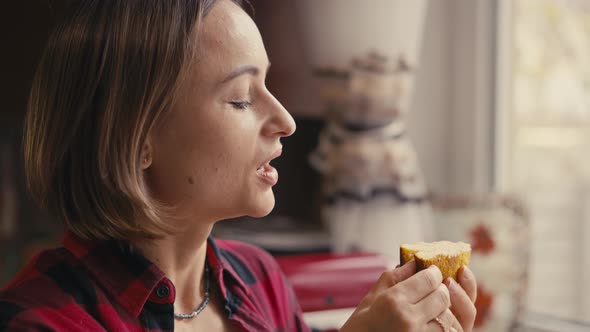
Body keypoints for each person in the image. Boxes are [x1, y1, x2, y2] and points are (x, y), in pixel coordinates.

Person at [0, 0, 477, 331]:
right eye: (241, 98)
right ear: (137, 137)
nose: (286, 121)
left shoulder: (260, 281)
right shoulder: (39, 321)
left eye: (268, 86)